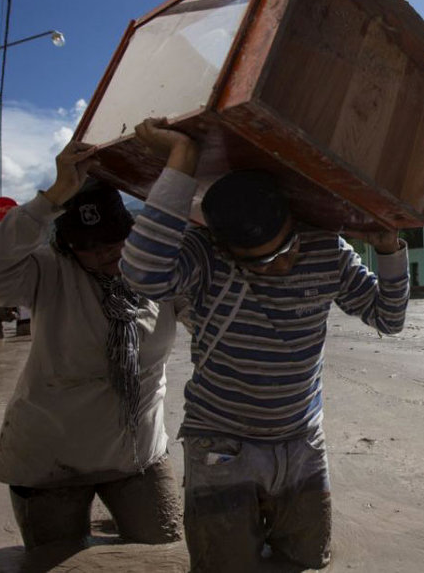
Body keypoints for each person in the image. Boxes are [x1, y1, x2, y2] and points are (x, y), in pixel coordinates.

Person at [121, 119, 409, 571]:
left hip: (302, 443)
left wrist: (390, 250)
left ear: (294, 220)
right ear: (226, 247)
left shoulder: (325, 248)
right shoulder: (205, 253)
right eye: (266, 261)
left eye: (287, 246)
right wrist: (181, 158)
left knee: (308, 560)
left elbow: (388, 318)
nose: (284, 263)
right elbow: (140, 274)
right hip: (220, 446)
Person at [0, 141, 183, 551]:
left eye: (112, 241)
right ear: (66, 246)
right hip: (51, 458)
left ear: (130, 234)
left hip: (137, 455)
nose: (104, 254)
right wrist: (51, 199)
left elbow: (213, 314)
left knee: (163, 548)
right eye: (88, 246)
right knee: (56, 558)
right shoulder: (47, 271)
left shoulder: (160, 271)